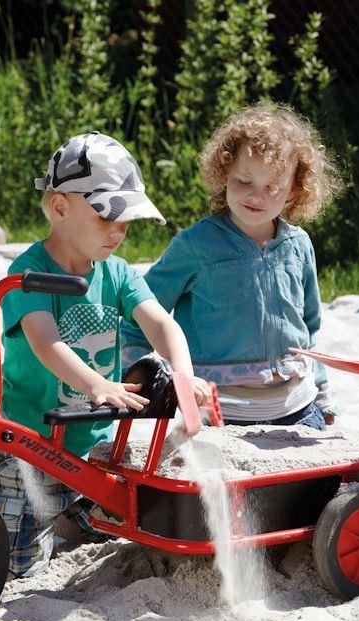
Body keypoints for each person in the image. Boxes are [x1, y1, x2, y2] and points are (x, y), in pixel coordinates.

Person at [0, 131, 210, 578]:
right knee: (18, 566)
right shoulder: (27, 273)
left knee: (124, 520)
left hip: (92, 444)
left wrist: (185, 378)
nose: (119, 231)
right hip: (28, 442)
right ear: (59, 208)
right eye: (107, 216)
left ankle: (74, 517)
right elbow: (45, 342)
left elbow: (161, 324)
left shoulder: (117, 273)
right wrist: (97, 384)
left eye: (126, 221)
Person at [121, 102, 344, 428]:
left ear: (293, 191)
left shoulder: (298, 245)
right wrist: (142, 376)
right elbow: (140, 311)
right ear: (224, 173)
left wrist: (322, 393)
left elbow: (309, 327)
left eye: (272, 187)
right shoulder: (195, 245)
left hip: (298, 407)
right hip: (221, 413)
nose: (257, 196)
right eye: (244, 181)